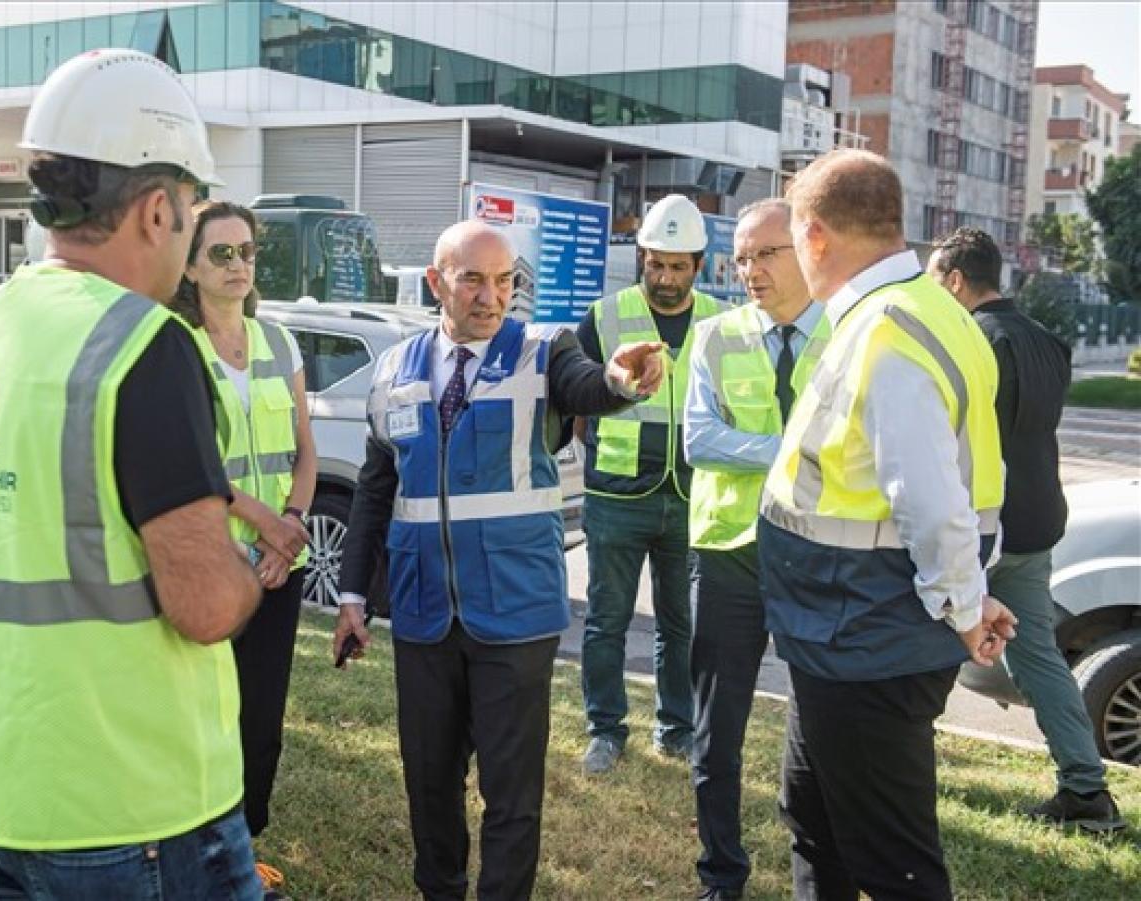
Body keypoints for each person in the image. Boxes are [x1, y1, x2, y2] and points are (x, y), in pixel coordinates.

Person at [0, 49, 267, 899]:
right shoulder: (146, 346)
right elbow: (206, 605)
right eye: (193, 208)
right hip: (142, 812)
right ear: (159, 208)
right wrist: (252, 575)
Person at [333, 219, 666, 901]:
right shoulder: (395, 369)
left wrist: (622, 380)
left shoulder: (544, 350)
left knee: (511, 792)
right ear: (437, 282)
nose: (492, 296)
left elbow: (587, 386)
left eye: (505, 280)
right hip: (425, 613)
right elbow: (374, 489)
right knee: (428, 780)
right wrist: (352, 598)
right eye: (474, 278)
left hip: (515, 612)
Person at [757, 148, 1018, 900]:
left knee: (894, 868)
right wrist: (967, 596)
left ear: (813, 239)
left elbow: (933, 501)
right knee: (814, 817)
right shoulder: (930, 310)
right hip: (843, 634)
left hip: (865, 637)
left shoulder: (888, 332)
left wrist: (965, 606)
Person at [928, 226, 1124, 834]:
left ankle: (899, 775)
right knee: (1038, 658)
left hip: (980, 527)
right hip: (1037, 521)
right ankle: (1086, 790)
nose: (933, 296)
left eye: (936, 283)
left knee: (923, 646)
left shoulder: (971, 342)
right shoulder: (1048, 342)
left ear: (956, 281)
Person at [683, 199, 830, 901]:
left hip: (818, 550)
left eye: (765, 254)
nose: (749, 270)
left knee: (826, 724)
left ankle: (824, 867)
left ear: (806, 247)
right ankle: (721, 875)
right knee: (717, 731)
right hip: (729, 553)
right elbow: (698, 440)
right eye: (740, 257)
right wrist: (792, 453)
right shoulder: (716, 335)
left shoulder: (845, 333)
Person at [173, 199, 321, 893]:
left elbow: (306, 452)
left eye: (247, 252)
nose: (239, 265)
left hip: (275, 564)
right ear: (192, 266)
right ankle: (193, 848)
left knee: (260, 717)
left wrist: (287, 529)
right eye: (222, 253)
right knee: (201, 716)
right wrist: (265, 527)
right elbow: (188, 462)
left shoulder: (280, 343)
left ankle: (241, 846)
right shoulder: (175, 346)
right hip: (210, 561)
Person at [575, 194, 726, 773]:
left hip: (692, 495)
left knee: (679, 623)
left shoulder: (722, 321)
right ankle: (605, 731)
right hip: (616, 495)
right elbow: (579, 393)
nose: (664, 277)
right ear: (641, 257)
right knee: (606, 621)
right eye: (655, 263)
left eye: (677, 265)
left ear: (699, 264)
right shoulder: (606, 314)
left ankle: (676, 729)